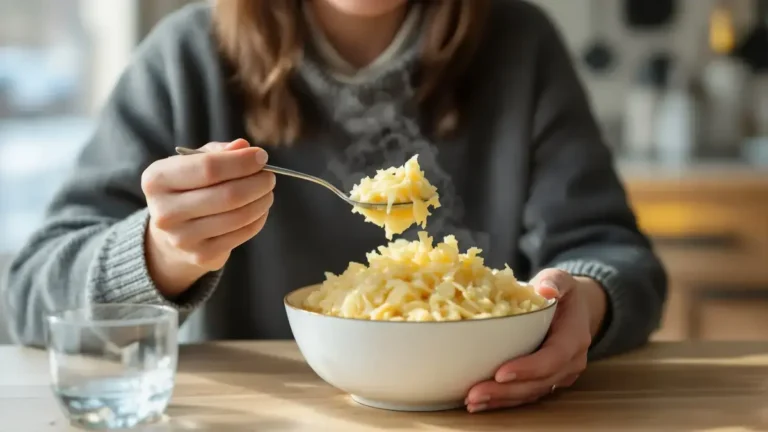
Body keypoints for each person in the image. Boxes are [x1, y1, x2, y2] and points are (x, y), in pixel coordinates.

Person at [1, 0, 667, 413]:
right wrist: (159, 253)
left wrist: (586, 300)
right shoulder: (186, 57)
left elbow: (616, 258)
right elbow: (29, 296)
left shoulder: (521, 45)